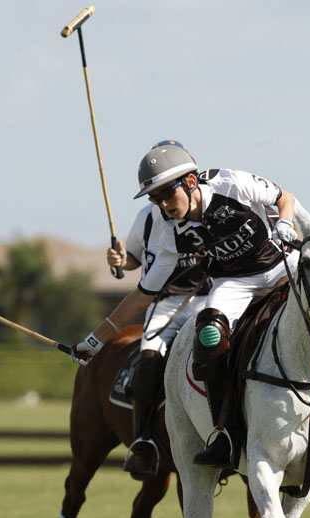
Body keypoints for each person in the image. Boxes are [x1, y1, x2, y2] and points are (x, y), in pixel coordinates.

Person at [71, 142, 301, 470]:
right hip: (234, 281)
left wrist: (286, 223)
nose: (163, 205)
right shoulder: (169, 233)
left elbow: (284, 197)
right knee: (208, 335)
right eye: (155, 199)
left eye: (168, 194)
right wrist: (95, 340)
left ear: (191, 182)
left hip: (281, 262)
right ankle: (223, 432)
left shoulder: (230, 183)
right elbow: (142, 295)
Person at [106, 141, 211, 479]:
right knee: (148, 362)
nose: (163, 200)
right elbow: (135, 259)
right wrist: (121, 260)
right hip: (167, 303)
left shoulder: (210, 206)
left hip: (211, 297)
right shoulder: (148, 216)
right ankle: (143, 441)